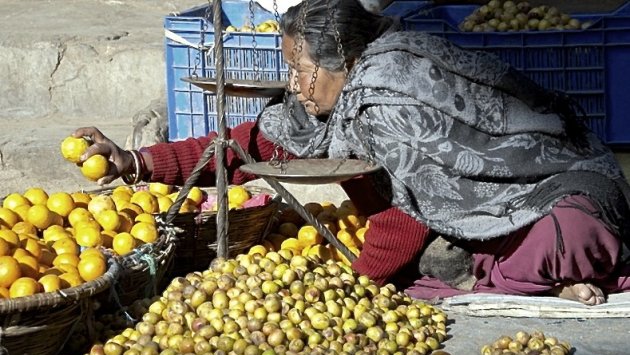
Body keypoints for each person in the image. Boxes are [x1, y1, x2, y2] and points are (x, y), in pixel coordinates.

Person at [74, 0, 630, 306]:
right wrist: (136, 163)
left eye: (299, 69)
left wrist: (354, 288)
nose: (293, 85)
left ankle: (528, 274)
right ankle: (510, 272)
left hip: (558, 186)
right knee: (457, 259)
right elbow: (246, 143)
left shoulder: (384, 97)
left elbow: (403, 219)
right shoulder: (336, 95)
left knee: (573, 236)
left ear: (337, 60)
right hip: (481, 217)